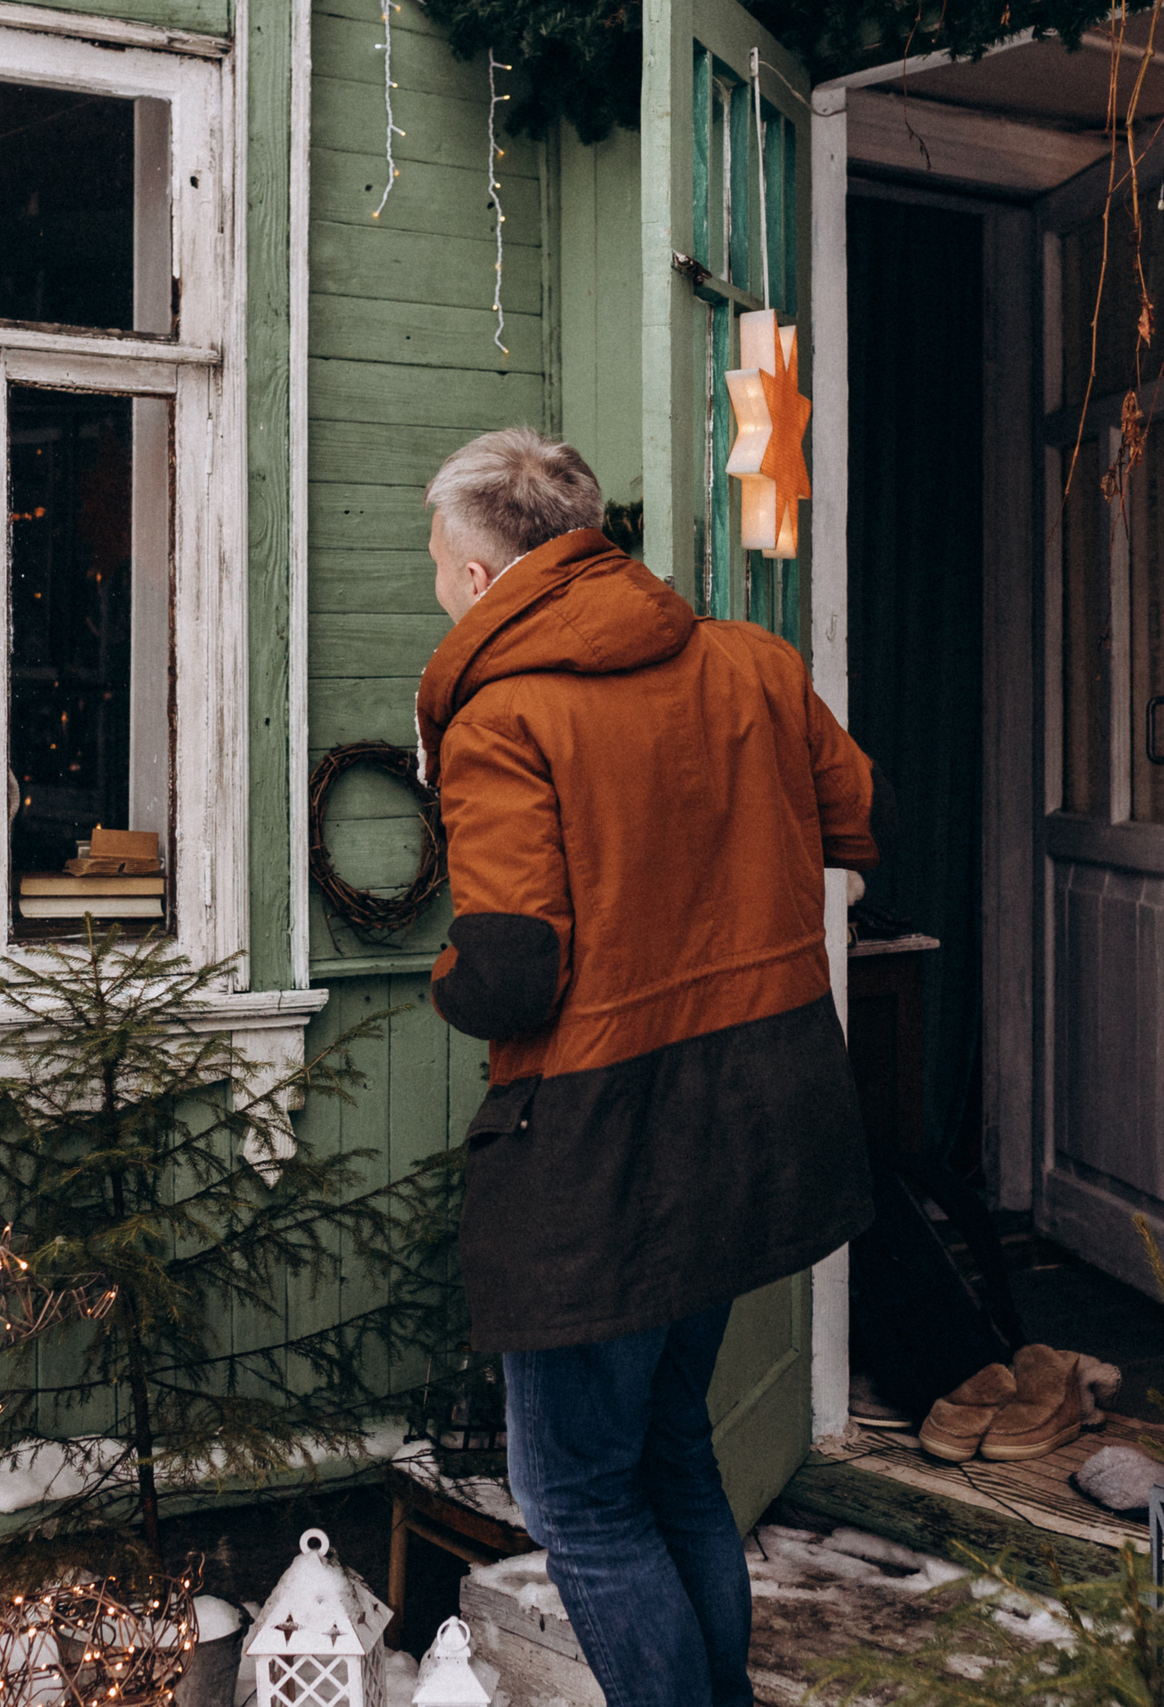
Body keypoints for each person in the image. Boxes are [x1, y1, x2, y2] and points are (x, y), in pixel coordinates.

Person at [415, 428, 878, 1707]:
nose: (439, 586)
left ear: (479, 574)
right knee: (672, 1451)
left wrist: (446, 977)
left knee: (577, 1495)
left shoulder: (501, 715)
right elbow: (857, 814)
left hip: (602, 1146)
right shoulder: (754, 663)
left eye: (439, 565)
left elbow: (509, 973)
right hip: (752, 1122)